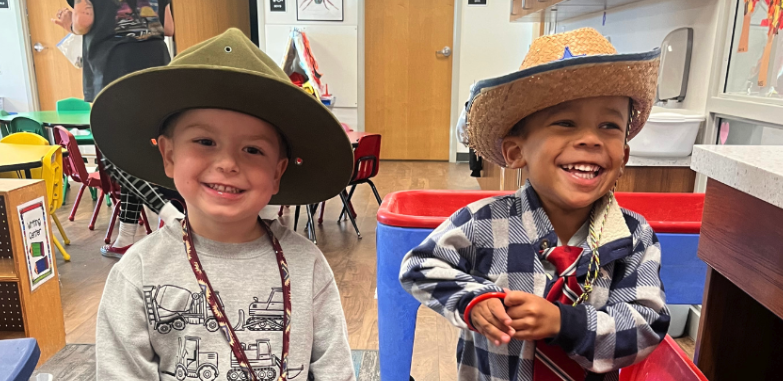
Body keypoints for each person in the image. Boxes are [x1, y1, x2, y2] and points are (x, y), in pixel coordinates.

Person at [399, 28, 670, 381]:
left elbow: (647, 325)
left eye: (608, 126)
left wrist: (565, 323)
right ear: (515, 152)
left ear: (624, 157)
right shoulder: (481, 223)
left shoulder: (634, 237)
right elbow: (420, 266)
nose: (590, 139)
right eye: (566, 123)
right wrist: (473, 300)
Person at [91, 29, 356, 380]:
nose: (228, 164)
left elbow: (334, 370)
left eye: (253, 149)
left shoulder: (307, 267)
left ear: (278, 173)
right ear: (168, 155)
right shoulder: (137, 274)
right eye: (205, 141)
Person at [53, 0, 177, 257]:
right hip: (156, 72)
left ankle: (172, 215)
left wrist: (70, 25)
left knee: (114, 159)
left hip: (115, 74)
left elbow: (84, 21)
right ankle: (126, 237)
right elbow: (168, 27)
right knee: (135, 157)